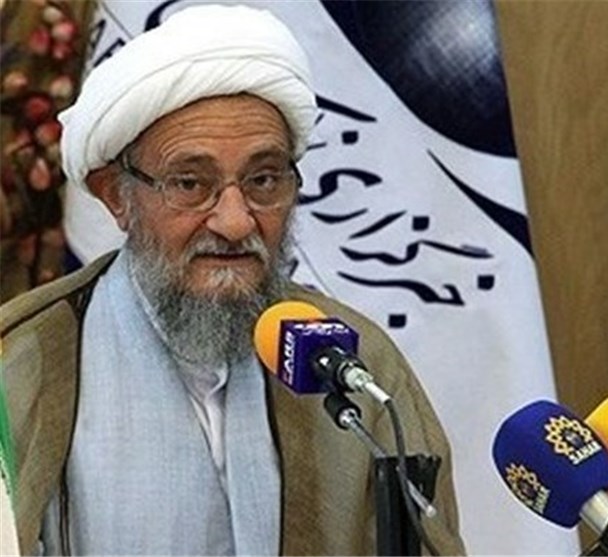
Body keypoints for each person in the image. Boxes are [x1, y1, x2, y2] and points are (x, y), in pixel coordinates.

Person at [0, 4, 466, 555]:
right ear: (116, 197)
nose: (235, 221)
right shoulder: (19, 361)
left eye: (263, 180)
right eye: (190, 184)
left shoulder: (355, 360)